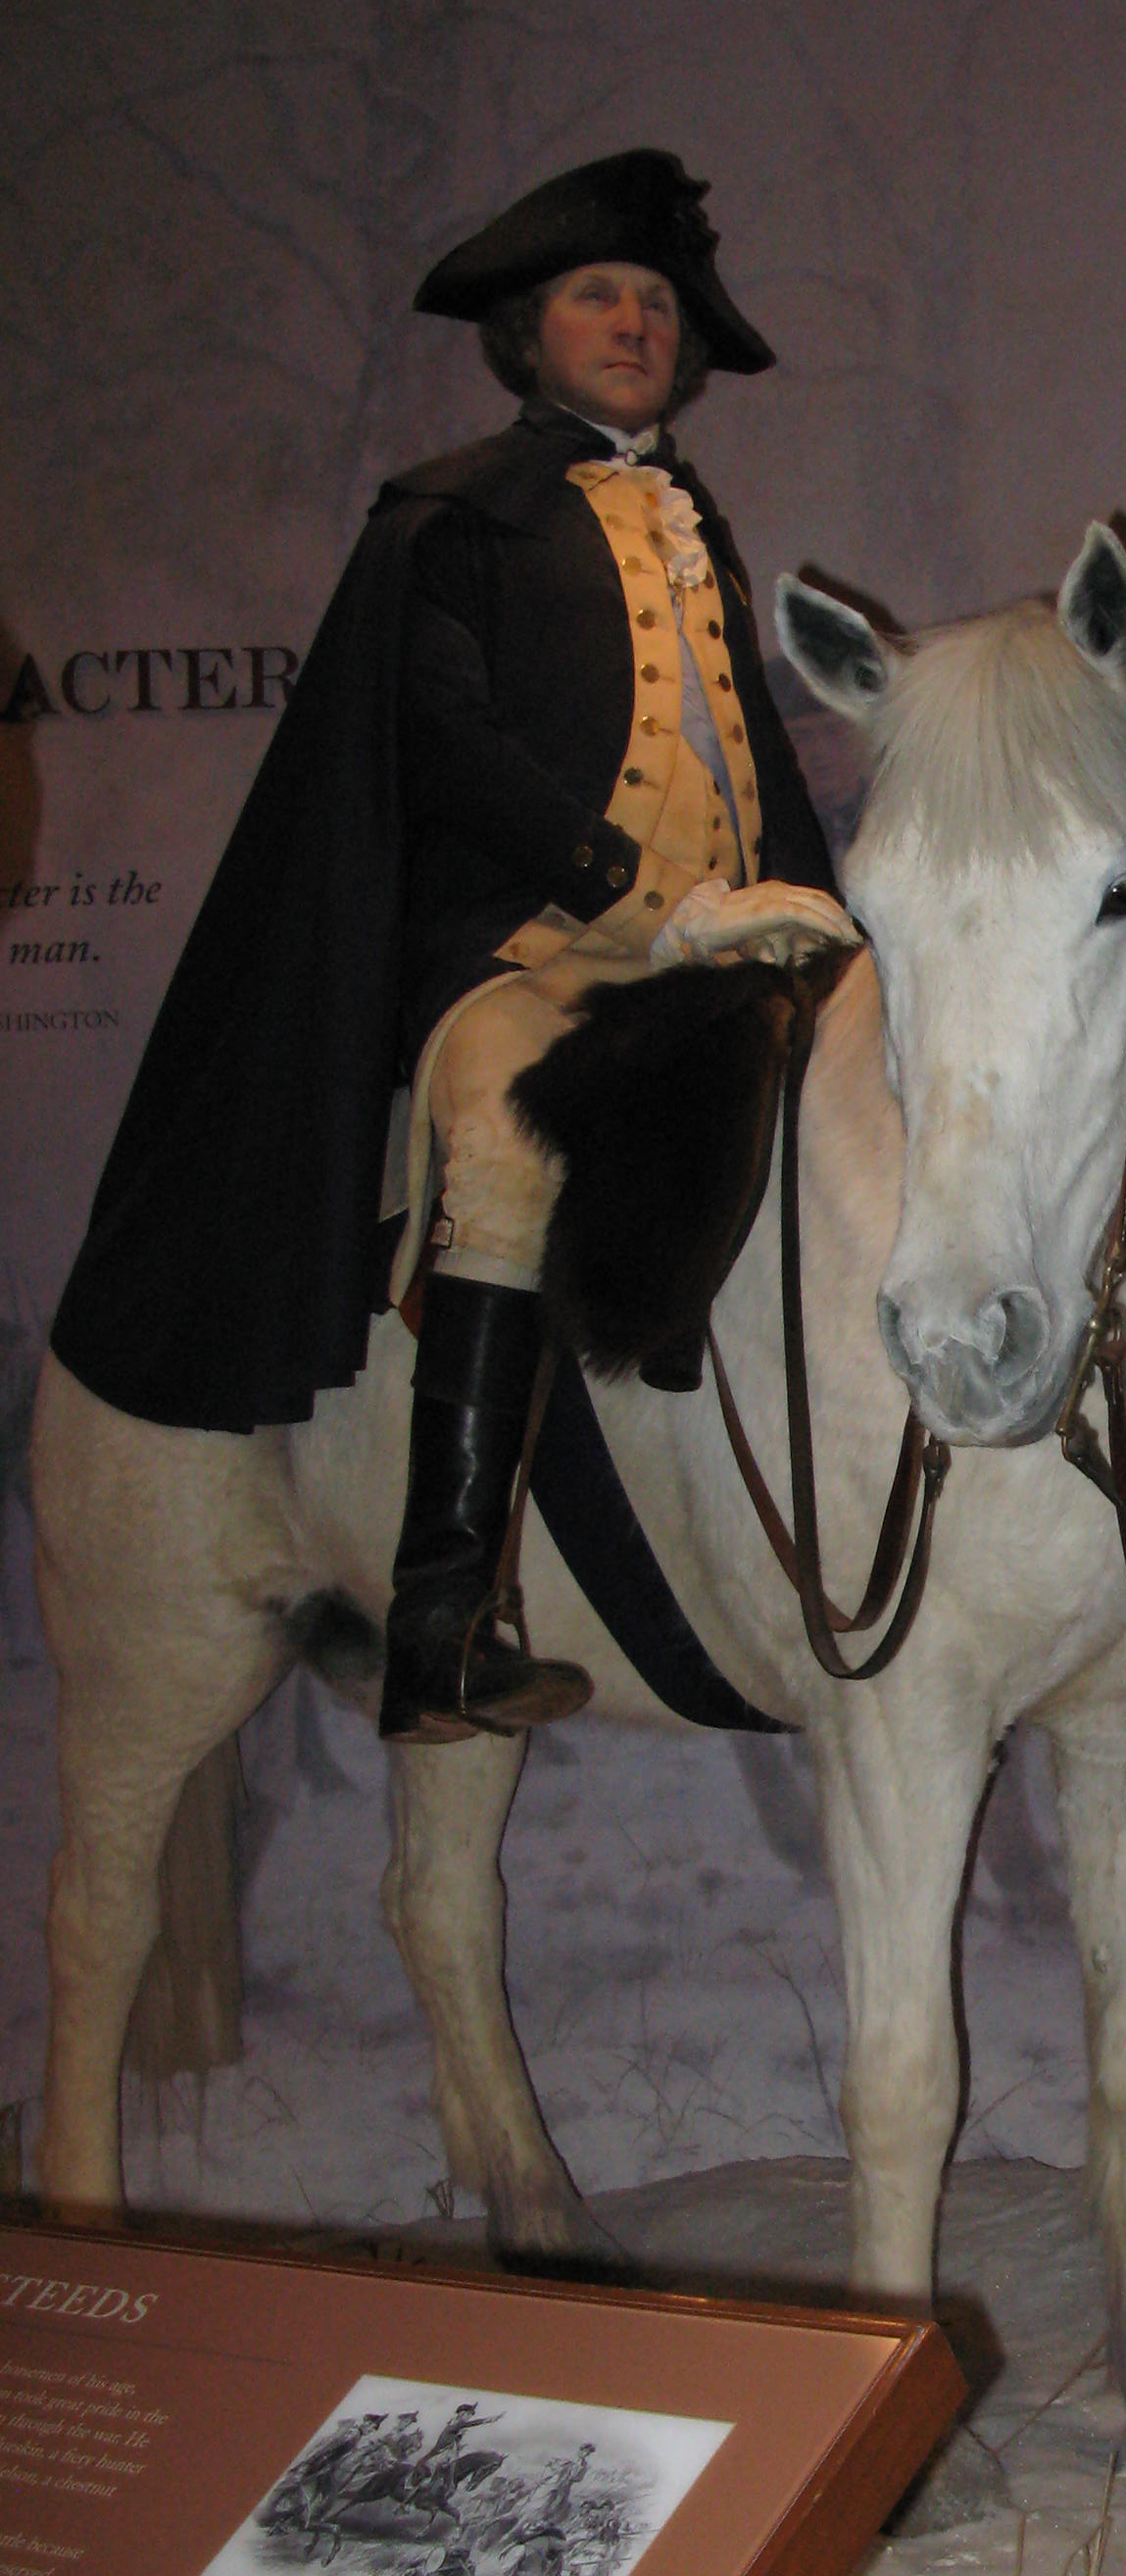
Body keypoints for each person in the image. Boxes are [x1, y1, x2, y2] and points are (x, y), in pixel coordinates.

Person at [48, 148, 852, 1741]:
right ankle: (445, 1610)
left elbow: (746, 745)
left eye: (654, 300)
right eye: (596, 296)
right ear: (528, 331)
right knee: (501, 1129)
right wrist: (643, 895)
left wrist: (818, 916)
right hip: (538, 952)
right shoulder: (448, 514)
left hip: (726, 954)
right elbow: (450, 744)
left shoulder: (698, 518)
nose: (633, 322)